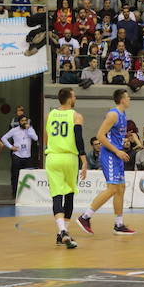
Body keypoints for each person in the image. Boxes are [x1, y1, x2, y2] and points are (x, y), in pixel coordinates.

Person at [76, 89, 136, 235]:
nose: (129, 99)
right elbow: (100, 136)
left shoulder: (123, 114)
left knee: (121, 188)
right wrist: (117, 151)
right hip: (110, 155)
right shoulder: (113, 114)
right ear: (122, 99)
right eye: (128, 97)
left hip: (117, 155)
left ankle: (119, 224)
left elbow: (113, 135)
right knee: (113, 189)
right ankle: (85, 217)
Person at [44, 87, 85, 249]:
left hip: (52, 157)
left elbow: (46, 138)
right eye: (74, 96)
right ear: (69, 99)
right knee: (68, 195)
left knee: (56, 195)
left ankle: (61, 232)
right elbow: (78, 139)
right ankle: (64, 232)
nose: (75, 98)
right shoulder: (76, 116)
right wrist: (84, 160)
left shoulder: (50, 115)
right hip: (69, 158)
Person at [0, 115, 39, 198]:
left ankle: (28, 193)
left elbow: (35, 138)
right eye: (22, 121)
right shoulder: (14, 130)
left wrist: (29, 129)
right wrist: (11, 147)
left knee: (28, 175)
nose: (24, 122)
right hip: (17, 155)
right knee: (15, 175)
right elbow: (3, 138)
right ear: (19, 122)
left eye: (25, 120)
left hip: (27, 156)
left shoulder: (30, 129)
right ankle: (15, 193)